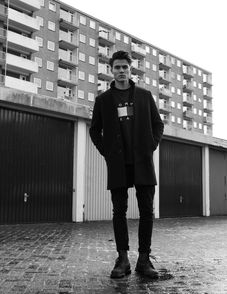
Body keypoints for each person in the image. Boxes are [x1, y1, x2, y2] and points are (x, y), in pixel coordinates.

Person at [89, 50, 164, 279]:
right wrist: (108, 153)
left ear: (131, 70)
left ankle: (144, 259)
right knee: (119, 211)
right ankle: (122, 259)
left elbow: (157, 124)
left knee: (146, 212)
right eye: (117, 67)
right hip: (118, 164)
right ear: (111, 70)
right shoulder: (103, 100)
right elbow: (94, 130)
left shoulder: (144, 95)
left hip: (142, 162)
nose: (121, 71)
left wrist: (150, 146)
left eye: (125, 67)